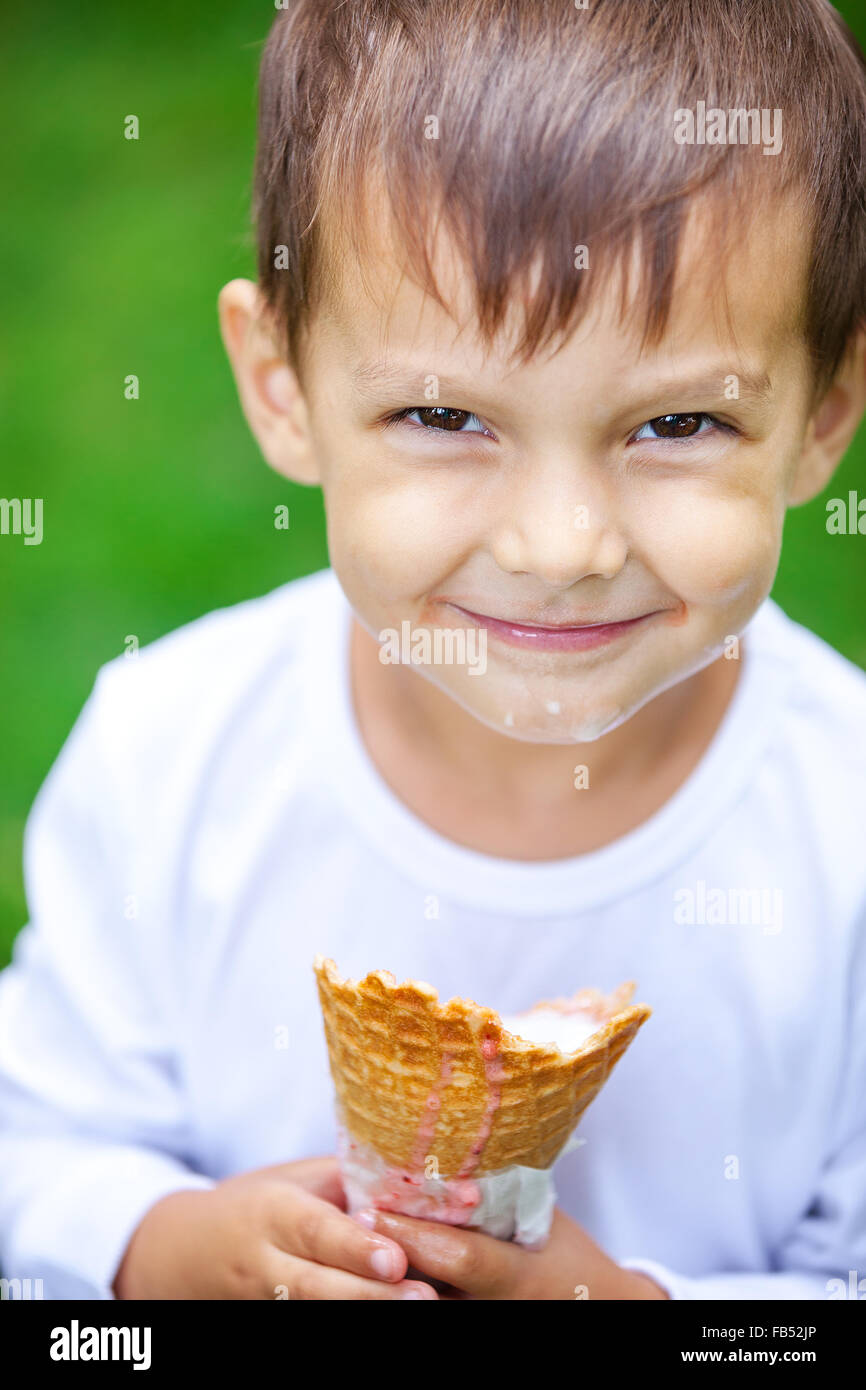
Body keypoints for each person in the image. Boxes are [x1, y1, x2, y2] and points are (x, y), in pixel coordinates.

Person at [1, 0, 865, 1300]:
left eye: (677, 421)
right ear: (282, 384)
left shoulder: (840, 825)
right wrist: (167, 1250)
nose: (559, 542)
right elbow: (39, 1145)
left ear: (824, 414)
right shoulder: (167, 751)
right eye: (445, 413)